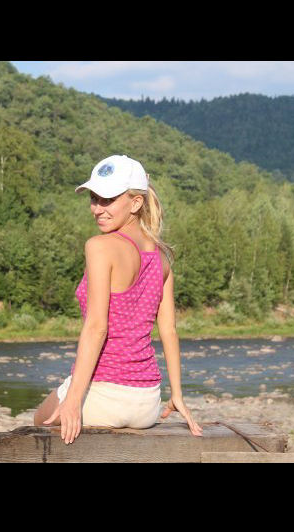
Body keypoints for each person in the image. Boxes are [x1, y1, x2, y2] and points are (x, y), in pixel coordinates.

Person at [33, 154, 203, 444]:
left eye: (108, 200)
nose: (97, 209)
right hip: (147, 402)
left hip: (104, 396)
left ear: (135, 203)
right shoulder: (161, 258)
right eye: (94, 198)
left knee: (39, 422)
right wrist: (176, 394)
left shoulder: (100, 247)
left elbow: (97, 327)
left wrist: (73, 399)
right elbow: (169, 331)